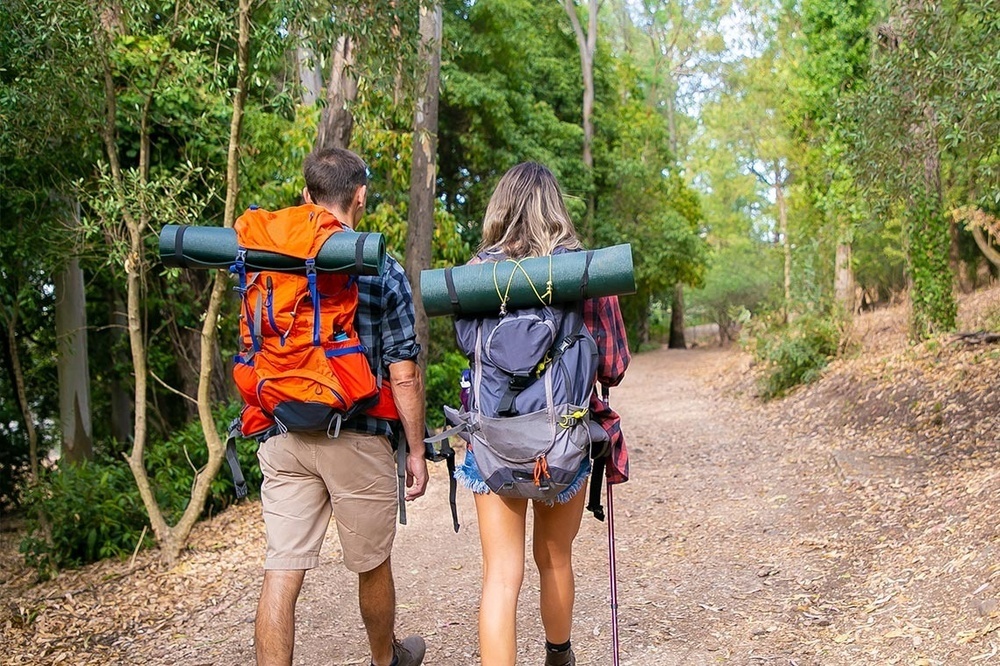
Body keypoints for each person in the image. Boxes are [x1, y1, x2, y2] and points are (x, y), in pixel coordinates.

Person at [253, 147, 429, 666]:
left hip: (282, 432)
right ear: (361, 196)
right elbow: (404, 373)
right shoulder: (382, 268)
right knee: (371, 563)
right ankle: (385, 661)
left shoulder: (270, 261)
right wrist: (415, 451)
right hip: (356, 433)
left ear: (306, 196)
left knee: (281, 570)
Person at [453, 162, 631, 666]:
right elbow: (613, 367)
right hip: (563, 443)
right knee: (554, 560)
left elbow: (470, 349)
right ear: (557, 209)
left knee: (501, 575)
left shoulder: (475, 275)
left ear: (500, 208)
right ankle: (558, 656)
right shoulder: (584, 272)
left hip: (493, 442)